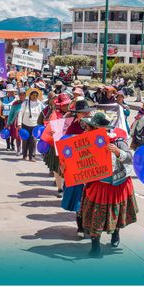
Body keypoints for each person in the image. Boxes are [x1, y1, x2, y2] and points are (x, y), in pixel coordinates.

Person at [79, 112, 138, 258]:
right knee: (96, 216)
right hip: (98, 184)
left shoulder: (117, 140)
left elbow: (130, 157)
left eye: (91, 127)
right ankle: (95, 245)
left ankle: (116, 234)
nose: (88, 129)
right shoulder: (85, 140)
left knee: (115, 213)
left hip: (117, 183)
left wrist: (118, 152)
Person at [61, 98, 95, 236]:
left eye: (86, 112)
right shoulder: (72, 128)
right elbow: (65, 148)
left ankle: (91, 226)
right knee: (79, 198)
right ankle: (81, 227)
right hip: (77, 168)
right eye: (82, 113)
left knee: (92, 198)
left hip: (92, 166)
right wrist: (63, 165)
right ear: (77, 114)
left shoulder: (95, 126)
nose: (85, 115)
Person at [44, 93, 72, 194]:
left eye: (68, 104)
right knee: (57, 167)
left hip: (68, 145)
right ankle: (60, 188)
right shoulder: (54, 114)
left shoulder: (73, 114)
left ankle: (66, 185)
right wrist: (50, 130)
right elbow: (46, 123)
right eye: (64, 104)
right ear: (60, 105)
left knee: (68, 167)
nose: (66, 106)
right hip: (55, 144)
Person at [17, 88, 44, 162]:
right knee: (25, 140)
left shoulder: (39, 104)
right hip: (25, 124)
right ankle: (24, 155)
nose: (34, 97)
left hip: (35, 125)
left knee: (33, 140)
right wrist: (19, 124)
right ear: (30, 96)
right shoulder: (25, 103)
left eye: (36, 95)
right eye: (33, 95)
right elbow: (20, 113)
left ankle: (32, 156)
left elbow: (43, 114)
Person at [8, 88, 27, 155]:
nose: (22, 96)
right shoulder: (15, 103)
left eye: (23, 94)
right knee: (18, 136)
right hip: (16, 122)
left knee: (25, 136)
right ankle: (18, 150)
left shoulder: (28, 102)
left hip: (26, 121)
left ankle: (25, 150)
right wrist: (8, 122)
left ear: (25, 95)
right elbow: (11, 113)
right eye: (20, 95)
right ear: (18, 95)